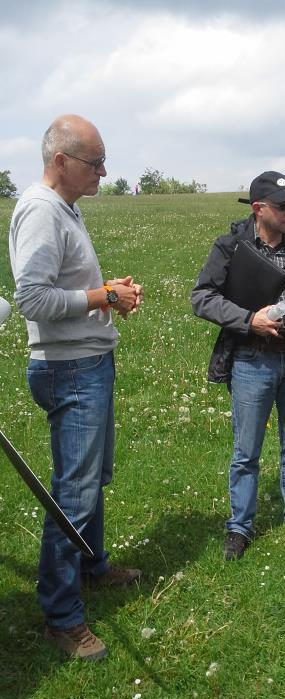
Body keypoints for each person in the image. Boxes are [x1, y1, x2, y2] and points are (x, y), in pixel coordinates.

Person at [9, 114, 143, 660]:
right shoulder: (41, 213)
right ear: (59, 161)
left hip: (87, 363)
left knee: (90, 478)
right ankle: (62, 618)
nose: (104, 172)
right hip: (68, 369)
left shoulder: (65, 209)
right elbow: (31, 299)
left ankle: (91, 565)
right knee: (73, 492)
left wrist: (106, 292)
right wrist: (101, 298)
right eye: (94, 162)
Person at [191, 171, 285, 560]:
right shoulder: (230, 247)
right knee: (246, 451)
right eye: (283, 205)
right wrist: (248, 319)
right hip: (251, 359)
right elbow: (201, 297)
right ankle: (240, 527)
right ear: (259, 209)